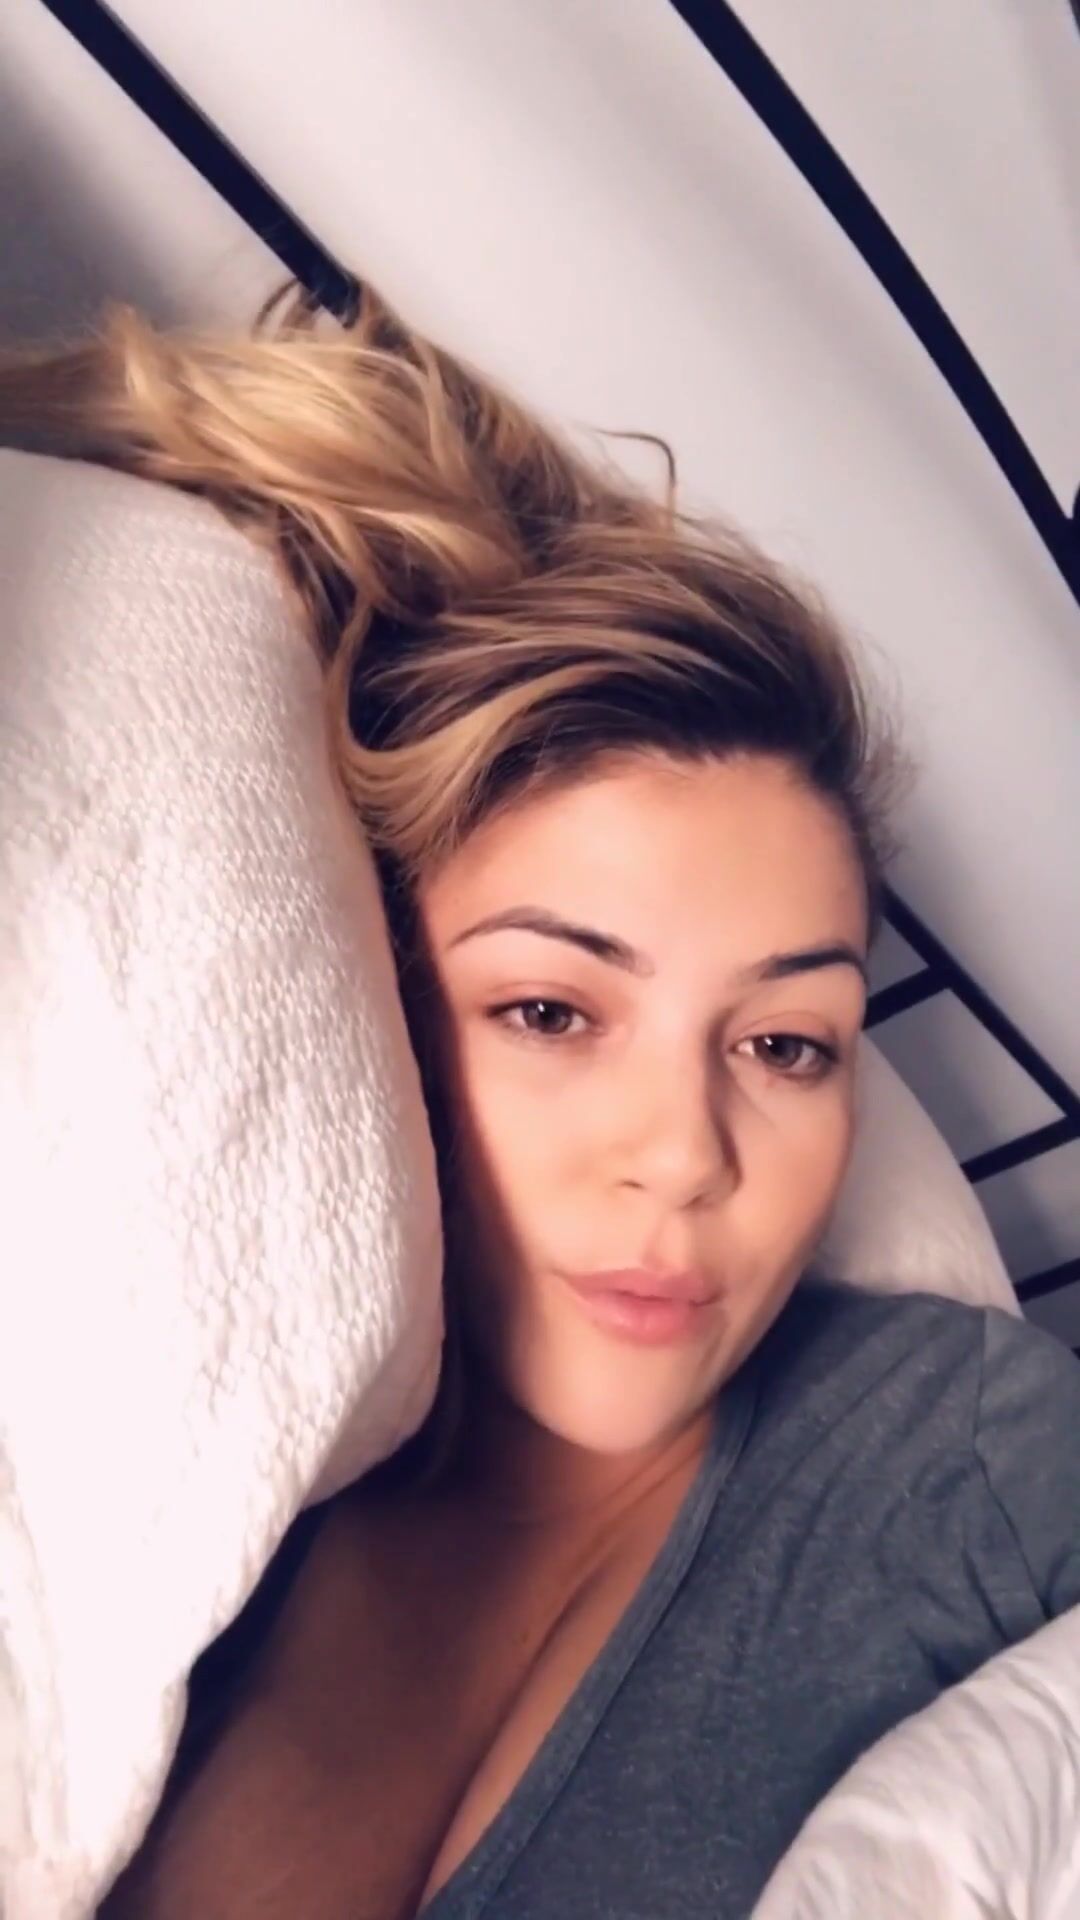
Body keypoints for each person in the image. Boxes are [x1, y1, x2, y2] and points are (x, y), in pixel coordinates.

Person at [3, 287, 1078, 1920]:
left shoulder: (960, 1456)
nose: (686, 1157)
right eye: (554, 1012)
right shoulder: (147, 1462)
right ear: (376, 1001)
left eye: (787, 1044)